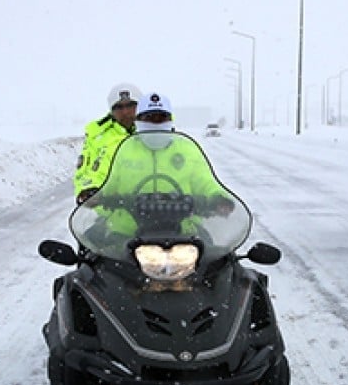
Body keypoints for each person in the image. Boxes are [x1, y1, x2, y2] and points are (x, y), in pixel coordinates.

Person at [73, 91, 240, 257]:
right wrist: (93, 194)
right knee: (93, 269)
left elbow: (204, 181)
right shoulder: (124, 150)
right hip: (126, 233)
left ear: (170, 120)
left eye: (161, 117)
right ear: (138, 121)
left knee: (222, 266)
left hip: (185, 232)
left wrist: (218, 197)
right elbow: (108, 182)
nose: (155, 123)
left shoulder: (186, 150)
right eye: (149, 118)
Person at [74, 82, 142, 204]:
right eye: (119, 107)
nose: (125, 112)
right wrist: (89, 190)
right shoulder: (98, 137)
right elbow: (86, 172)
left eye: (131, 105)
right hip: (113, 210)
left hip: (154, 208)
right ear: (112, 110)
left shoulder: (154, 131)